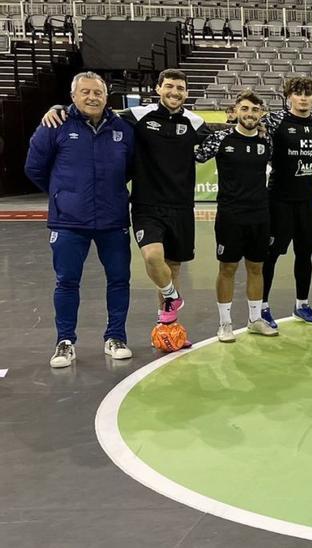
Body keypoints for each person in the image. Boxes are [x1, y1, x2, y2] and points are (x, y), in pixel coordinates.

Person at [40, 69, 217, 328]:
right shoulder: (137, 116)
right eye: (169, 86)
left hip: (181, 205)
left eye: (180, 88)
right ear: (158, 89)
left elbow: (225, 135)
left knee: (173, 266)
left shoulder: (195, 122)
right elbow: (98, 112)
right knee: (153, 257)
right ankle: (171, 296)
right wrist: (60, 107)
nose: (174, 92)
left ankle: (168, 325)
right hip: (146, 204)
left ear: (187, 93)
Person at [26, 71, 135, 367]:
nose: (92, 97)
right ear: (73, 96)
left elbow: (130, 168)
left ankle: (115, 337)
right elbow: (34, 167)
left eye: (97, 92)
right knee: (66, 282)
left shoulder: (123, 129)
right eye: (85, 92)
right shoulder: (55, 125)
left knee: (119, 280)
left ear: (106, 95)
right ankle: (64, 342)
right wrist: (62, 193)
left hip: (113, 220)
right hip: (69, 222)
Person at [195, 90, 278, 341]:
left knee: (257, 268)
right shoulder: (221, 139)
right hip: (230, 215)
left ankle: (254, 320)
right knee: (228, 268)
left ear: (261, 113)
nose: (249, 114)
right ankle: (225, 324)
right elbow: (196, 155)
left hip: (260, 214)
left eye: (254, 110)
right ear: (235, 111)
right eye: (244, 109)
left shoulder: (267, 141)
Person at [260, 76, 312, 324]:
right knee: (271, 255)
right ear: (289, 96)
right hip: (279, 199)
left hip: (308, 200)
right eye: (298, 93)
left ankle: (302, 304)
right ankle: (262, 307)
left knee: (305, 254)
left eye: (308, 94)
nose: (303, 98)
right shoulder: (275, 121)